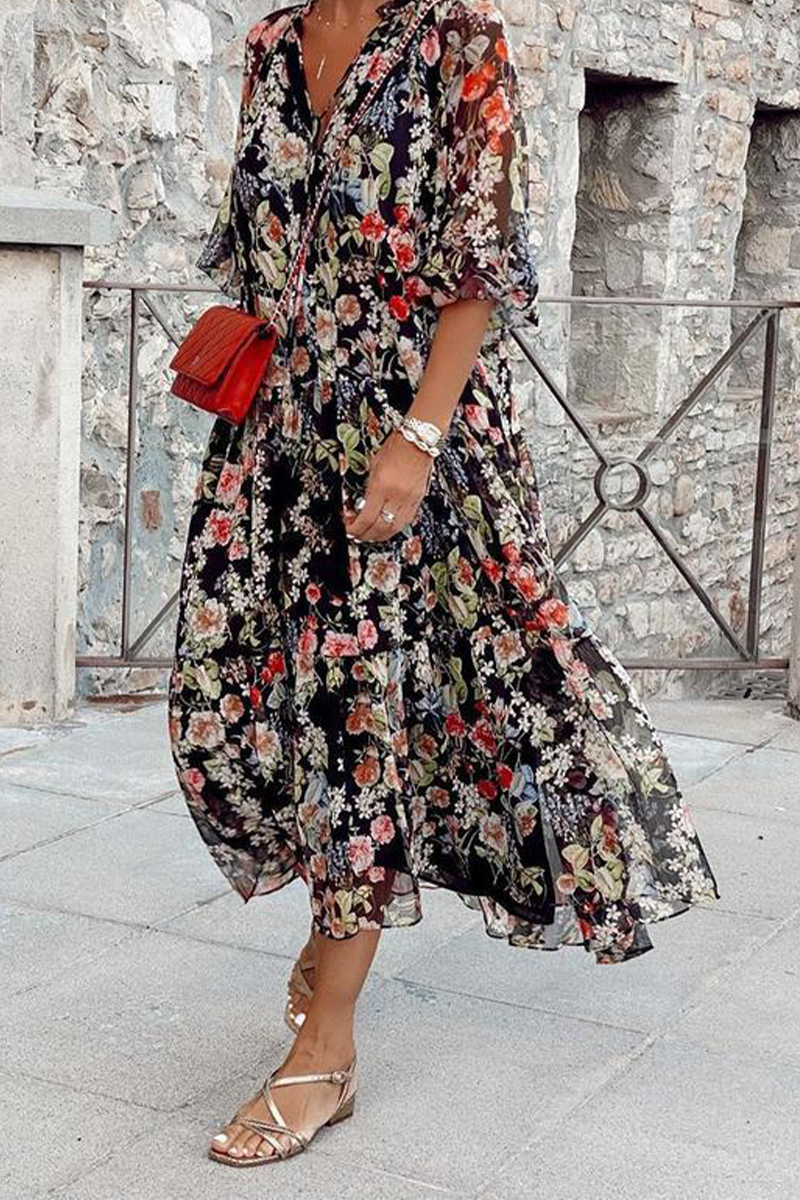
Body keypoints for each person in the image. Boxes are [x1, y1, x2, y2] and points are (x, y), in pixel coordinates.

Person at [167, 0, 720, 1167]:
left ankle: (326, 1045)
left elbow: (476, 262)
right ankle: (338, 913)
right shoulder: (271, 47)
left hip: (412, 436)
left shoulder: (459, 40)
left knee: (360, 720)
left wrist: (415, 439)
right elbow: (258, 246)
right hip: (275, 443)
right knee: (229, 706)